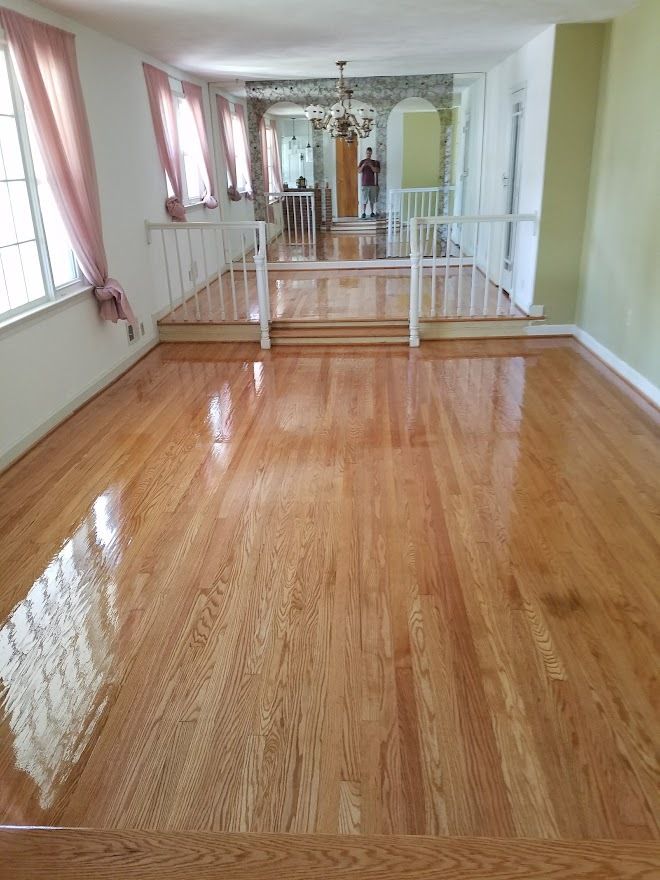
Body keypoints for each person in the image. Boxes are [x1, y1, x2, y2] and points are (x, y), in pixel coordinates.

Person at [358, 148, 380, 219]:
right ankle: (363, 213)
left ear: (371, 153)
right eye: (367, 153)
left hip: (372, 184)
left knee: (372, 199)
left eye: (370, 153)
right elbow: (359, 171)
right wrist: (363, 165)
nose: (368, 155)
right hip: (364, 184)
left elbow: (377, 170)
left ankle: (372, 212)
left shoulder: (375, 162)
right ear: (366, 153)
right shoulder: (362, 161)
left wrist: (370, 165)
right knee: (364, 200)